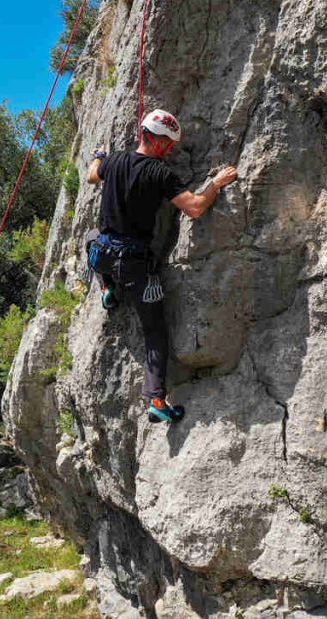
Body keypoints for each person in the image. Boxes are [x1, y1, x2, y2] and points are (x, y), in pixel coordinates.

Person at [86, 108, 237, 423]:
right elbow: (195, 208)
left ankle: (107, 287)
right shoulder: (160, 174)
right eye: (167, 144)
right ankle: (156, 401)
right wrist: (216, 183)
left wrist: (99, 156)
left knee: (92, 237)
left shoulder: (113, 162)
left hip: (103, 255)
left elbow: (91, 175)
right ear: (152, 139)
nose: (170, 150)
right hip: (136, 266)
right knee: (154, 332)